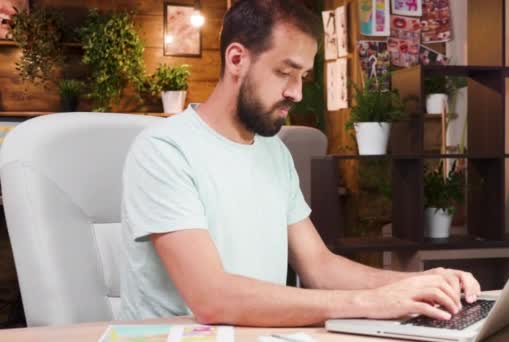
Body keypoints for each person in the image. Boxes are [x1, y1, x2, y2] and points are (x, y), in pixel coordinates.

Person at [119, 0, 481, 327]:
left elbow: (319, 267)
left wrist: (417, 283)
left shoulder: (274, 152)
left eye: (303, 76)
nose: (296, 92)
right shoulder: (164, 150)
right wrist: (370, 302)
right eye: (284, 72)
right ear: (236, 59)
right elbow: (212, 298)